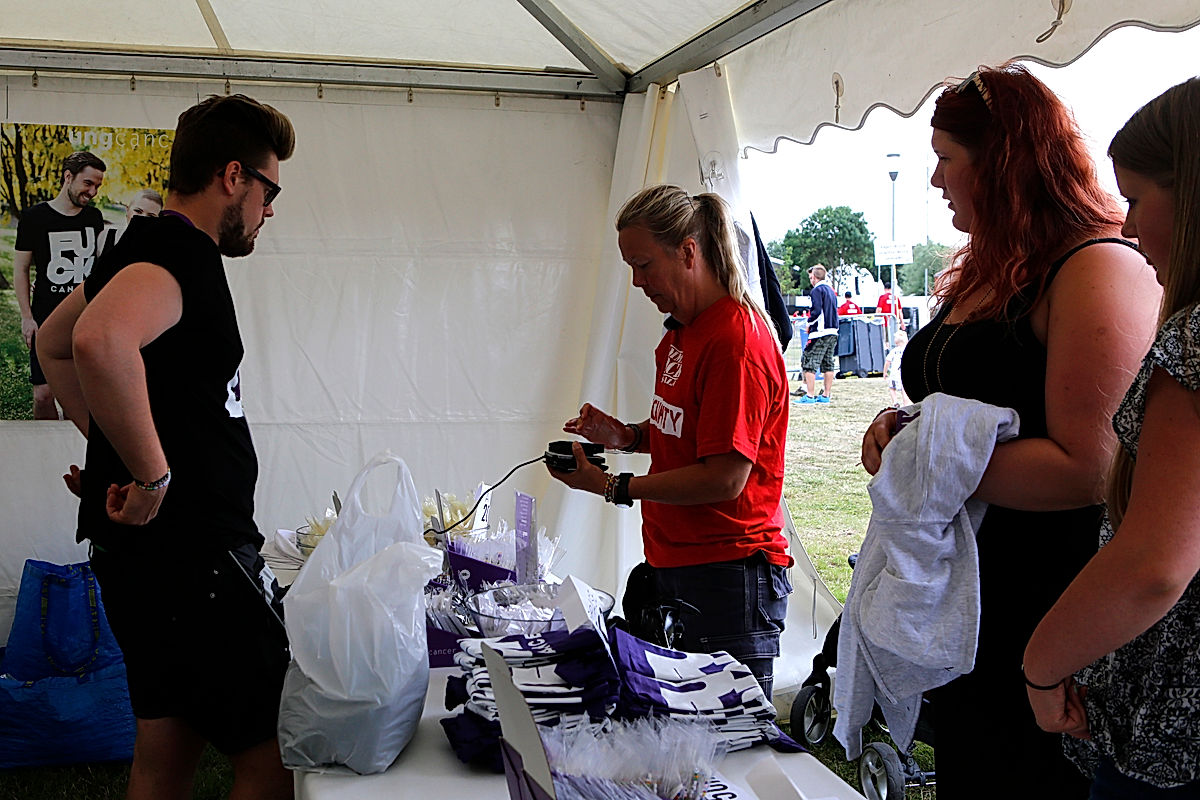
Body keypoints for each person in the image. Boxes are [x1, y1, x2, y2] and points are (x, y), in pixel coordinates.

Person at [859, 64, 1160, 799]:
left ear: (1001, 161)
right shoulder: (990, 268)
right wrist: (901, 427)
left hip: (1043, 601)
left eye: (946, 159)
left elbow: (1091, 465)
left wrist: (918, 463)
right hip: (966, 598)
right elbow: (955, 406)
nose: (935, 181)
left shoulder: (1095, 267)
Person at [36, 94, 296, 800]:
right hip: (196, 558)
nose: (271, 211)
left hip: (153, 558)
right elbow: (95, 341)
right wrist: (147, 475)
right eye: (270, 191)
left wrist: (115, 451)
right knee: (274, 751)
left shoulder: (140, 243)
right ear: (234, 176)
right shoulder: (178, 251)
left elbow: (53, 344)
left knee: (168, 742)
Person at [1024, 77, 1200, 797]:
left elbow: (1156, 563)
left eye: (1136, 198)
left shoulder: (1194, 343)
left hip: (1167, 745)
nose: (1126, 227)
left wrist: (1041, 665)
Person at [547, 184, 793, 699]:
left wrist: (614, 486)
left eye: (644, 265)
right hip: (681, 566)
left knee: (727, 749)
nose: (637, 282)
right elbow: (689, 432)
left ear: (687, 252)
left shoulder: (735, 341)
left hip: (729, 577)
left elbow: (725, 477)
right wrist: (629, 435)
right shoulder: (683, 333)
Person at [13, 150, 106, 419]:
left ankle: (73, 452)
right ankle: (47, 452)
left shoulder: (94, 218)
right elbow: (21, 269)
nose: (93, 192)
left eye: (97, 186)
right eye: (88, 183)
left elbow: (101, 266)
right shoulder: (34, 218)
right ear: (68, 177)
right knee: (43, 395)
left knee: (77, 396)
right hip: (46, 316)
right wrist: (27, 317)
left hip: (85, 316)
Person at [798, 264, 838, 403]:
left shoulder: (817, 291)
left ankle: (809, 395)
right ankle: (826, 395)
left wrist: (809, 324)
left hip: (820, 332)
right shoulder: (831, 291)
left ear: (814, 277)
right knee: (828, 363)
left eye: (811, 277)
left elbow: (816, 311)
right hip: (833, 331)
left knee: (809, 361)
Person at [97, 188, 164, 255]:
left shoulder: (157, 250)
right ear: (127, 210)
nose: (143, 218)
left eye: (151, 216)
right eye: (138, 211)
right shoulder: (105, 237)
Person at [882, 328, 908, 408]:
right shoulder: (907, 350)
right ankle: (906, 404)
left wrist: (885, 372)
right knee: (904, 390)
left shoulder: (894, 351)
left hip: (894, 374)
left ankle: (895, 402)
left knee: (892, 388)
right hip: (904, 373)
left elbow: (887, 361)